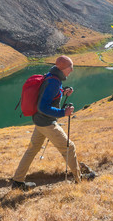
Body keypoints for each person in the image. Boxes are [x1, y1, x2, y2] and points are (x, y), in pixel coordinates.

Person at [11, 55, 95, 190]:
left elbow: (50, 97)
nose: (72, 70)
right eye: (70, 67)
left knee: (32, 150)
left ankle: (17, 182)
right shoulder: (54, 82)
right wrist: (64, 113)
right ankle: (79, 179)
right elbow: (43, 107)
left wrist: (64, 92)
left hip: (39, 121)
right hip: (46, 123)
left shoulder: (52, 76)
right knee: (70, 147)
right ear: (63, 68)